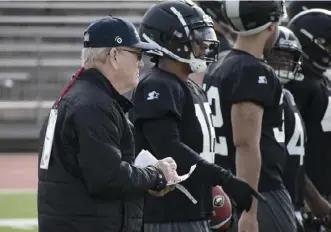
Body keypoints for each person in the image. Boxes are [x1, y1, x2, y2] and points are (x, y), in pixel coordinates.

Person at [37, 15, 182, 232]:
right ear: (114, 55)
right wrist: (156, 174)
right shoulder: (94, 104)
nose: (141, 63)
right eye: (137, 54)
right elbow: (108, 178)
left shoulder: (80, 97)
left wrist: (143, 177)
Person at [130, 1, 264, 232]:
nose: (204, 44)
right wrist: (224, 178)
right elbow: (168, 147)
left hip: (192, 211)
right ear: (171, 40)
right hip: (167, 216)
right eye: (197, 38)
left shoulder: (190, 86)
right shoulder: (158, 85)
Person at [203, 1, 297, 232]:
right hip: (258, 190)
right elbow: (245, 144)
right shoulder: (252, 69)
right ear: (271, 26)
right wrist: (250, 211)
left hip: (227, 186)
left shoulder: (221, 62)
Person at [265, 25, 331, 232]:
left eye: (289, 57)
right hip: (277, 199)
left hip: (294, 200)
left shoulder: (288, 95)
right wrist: (315, 199)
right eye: (277, 55)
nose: (284, 63)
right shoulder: (269, 95)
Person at [285, 8, 331, 230]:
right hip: (304, 202)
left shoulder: (318, 80)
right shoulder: (300, 85)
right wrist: (315, 201)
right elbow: (289, 151)